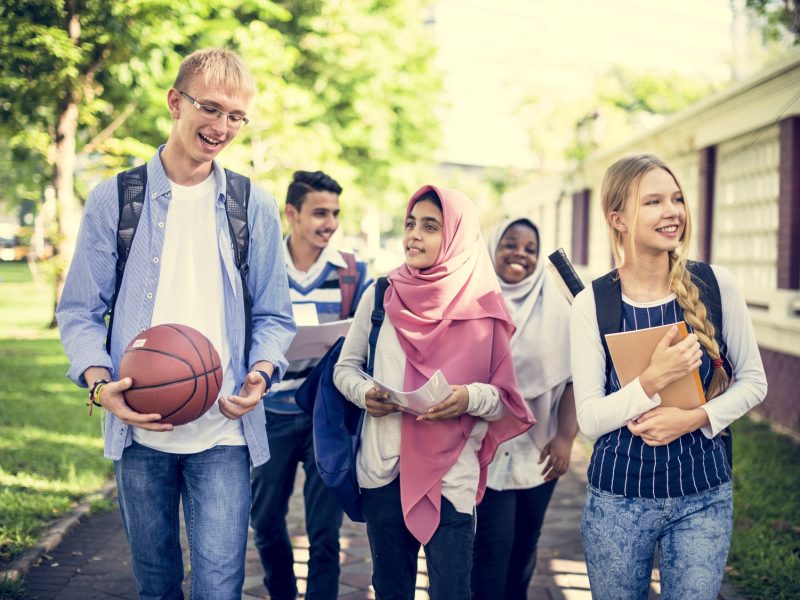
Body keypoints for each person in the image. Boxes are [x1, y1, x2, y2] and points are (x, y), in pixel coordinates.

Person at [56, 48, 295, 600]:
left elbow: (274, 315)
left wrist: (260, 371)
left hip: (223, 434)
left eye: (237, 116)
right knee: (157, 586)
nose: (222, 127)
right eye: (210, 109)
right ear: (174, 102)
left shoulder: (251, 204)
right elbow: (79, 312)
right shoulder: (114, 199)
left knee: (220, 589)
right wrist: (99, 382)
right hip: (139, 430)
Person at [569, 154, 768, 599]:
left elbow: (754, 382)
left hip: (703, 496)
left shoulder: (717, 285)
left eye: (676, 198)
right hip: (617, 500)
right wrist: (652, 380)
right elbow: (590, 420)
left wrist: (692, 418)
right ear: (617, 218)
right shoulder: (592, 303)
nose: (672, 211)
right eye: (653, 201)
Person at [333, 185, 535, 600]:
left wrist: (466, 398)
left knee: (452, 591)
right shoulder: (381, 293)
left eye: (430, 226)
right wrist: (365, 393)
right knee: (390, 589)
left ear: (457, 236)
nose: (413, 236)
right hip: (384, 470)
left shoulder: (485, 307)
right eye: (410, 224)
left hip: (451, 477)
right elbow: (345, 368)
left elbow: (503, 399)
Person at [250, 170, 371, 600]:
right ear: (291, 213)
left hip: (326, 417)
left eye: (335, 213)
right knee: (263, 520)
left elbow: (367, 340)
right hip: (270, 413)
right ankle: (281, 591)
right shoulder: (260, 270)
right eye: (320, 213)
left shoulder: (354, 273)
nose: (330, 223)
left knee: (325, 532)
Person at [471, 218, 577, 600]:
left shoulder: (562, 311)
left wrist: (565, 438)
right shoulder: (472, 303)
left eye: (530, 249)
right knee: (490, 553)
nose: (520, 254)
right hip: (485, 451)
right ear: (492, 248)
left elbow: (573, 380)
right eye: (510, 244)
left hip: (540, 452)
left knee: (524, 552)